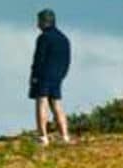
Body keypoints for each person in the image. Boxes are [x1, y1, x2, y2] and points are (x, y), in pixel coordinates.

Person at [31, 9, 72, 145]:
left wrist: (34, 77)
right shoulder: (64, 38)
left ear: (44, 22)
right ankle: (64, 136)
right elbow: (67, 60)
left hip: (44, 74)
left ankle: (43, 136)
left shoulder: (44, 37)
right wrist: (62, 75)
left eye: (39, 21)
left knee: (41, 102)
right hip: (58, 75)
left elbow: (39, 59)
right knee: (56, 104)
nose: (37, 25)